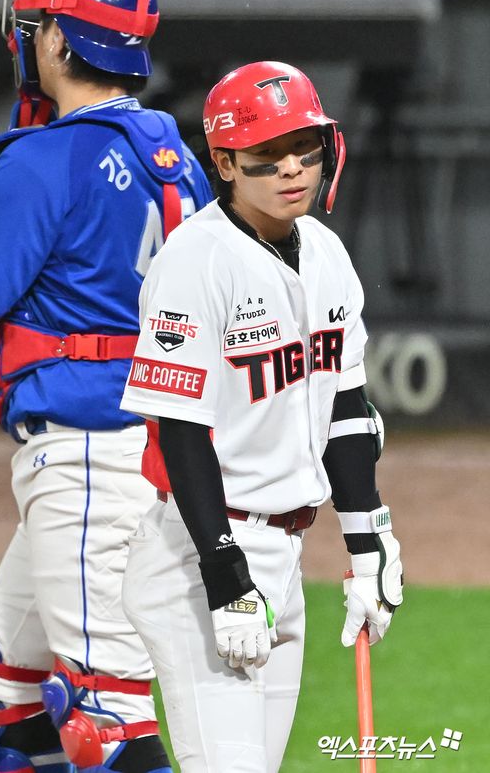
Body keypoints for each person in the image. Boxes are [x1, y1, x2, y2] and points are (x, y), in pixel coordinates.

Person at [0, 0, 211, 773]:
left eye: (39, 22)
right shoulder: (177, 158)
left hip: (90, 457)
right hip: (161, 448)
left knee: (106, 718)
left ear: (55, 40)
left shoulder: (43, 159)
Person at [119, 61, 404, 772]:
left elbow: (345, 409)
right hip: (201, 556)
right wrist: (224, 574)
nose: (292, 168)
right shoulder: (195, 260)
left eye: (304, 146)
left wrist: (368, 541)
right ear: (223, 163)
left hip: (285, 557)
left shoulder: (328, 253)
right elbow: (180, 432)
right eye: (266, 154)